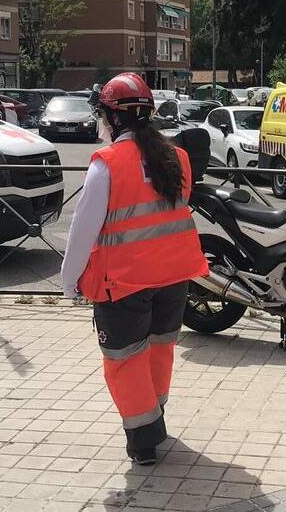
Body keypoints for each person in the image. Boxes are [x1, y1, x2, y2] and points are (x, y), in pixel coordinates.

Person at [60, 72, 208, 466]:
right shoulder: (177, 158)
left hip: (123, 283)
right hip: (173, 276)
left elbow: (82, 230)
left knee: (124, 360)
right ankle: (154, 417)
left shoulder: (107, 163)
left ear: (112, 117)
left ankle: (144, 440)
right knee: (159, 351)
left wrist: (69, 281)